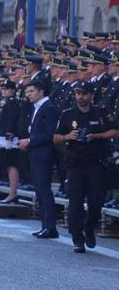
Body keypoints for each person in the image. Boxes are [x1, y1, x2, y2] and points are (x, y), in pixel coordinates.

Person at [53, 81, 116, 252]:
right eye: (78, 93)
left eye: (84, 94)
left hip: (95, 164)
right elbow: (56, 137)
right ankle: (77, 239)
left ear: (91, 95)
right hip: (74, 164)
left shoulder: (100, 112)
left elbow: (115, 131)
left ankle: (89, 228)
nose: (81, 97)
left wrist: (97, 136)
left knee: (96, 202)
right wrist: (68, 137)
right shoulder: (68, 114)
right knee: (75, 203)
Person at [18, 79, 61, 238]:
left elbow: (50, 134)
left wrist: (30, 141)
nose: (28, 95)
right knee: (39, 190)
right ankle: (45, 226)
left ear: (41, 91)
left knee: (44, 190)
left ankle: (50, 227)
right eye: (27, 92)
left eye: (31, 91)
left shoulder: (49, 108)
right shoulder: (37, 107)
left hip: (44, 155)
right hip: (35, 153)